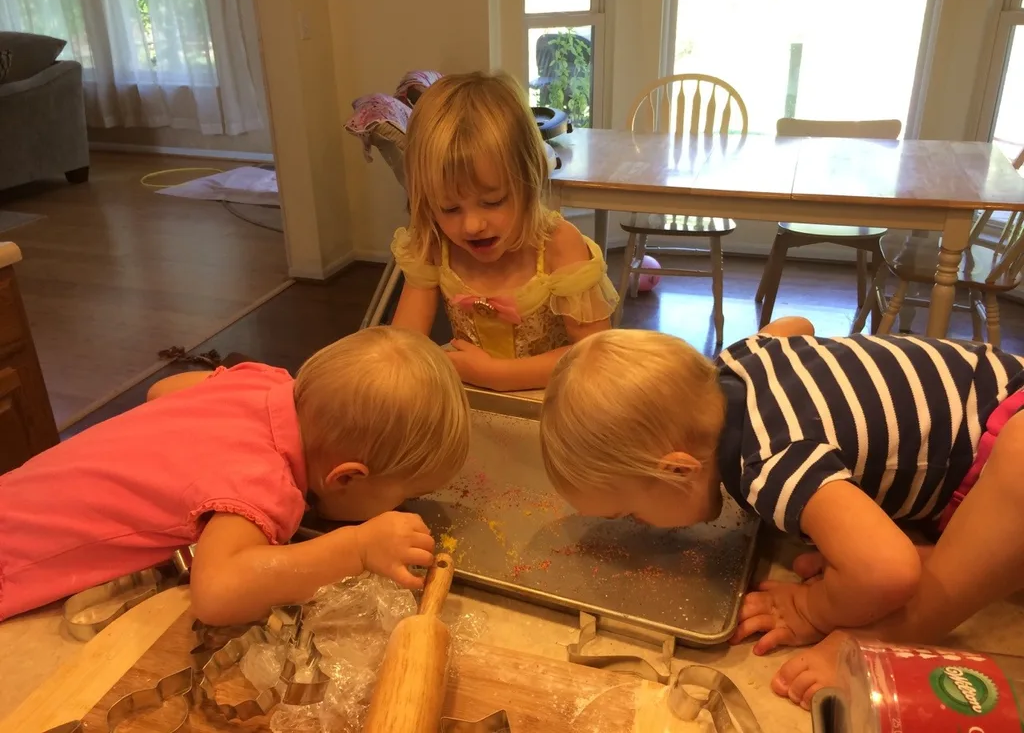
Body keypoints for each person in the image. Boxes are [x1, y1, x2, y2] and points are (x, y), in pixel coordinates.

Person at [539, 321, 1024, 709]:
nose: (635, 525)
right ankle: (936, 549)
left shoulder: (769, 462)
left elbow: (891, 572)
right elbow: (796, 326)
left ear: (677, 470)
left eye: (630, 511)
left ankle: (901, 626)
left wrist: (813, 610)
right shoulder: (738, 360)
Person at [1, 327, 470, 626]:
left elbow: (161, 390)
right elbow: (217, 593)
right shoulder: (264, 482)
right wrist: (357, 548)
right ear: (345, 478)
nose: (406, 504)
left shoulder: (263, 380)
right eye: (406, 493)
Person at [389, 71, 618, 391]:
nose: (472, 225)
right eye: (449, 208)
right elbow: (404, 345)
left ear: (530, 180)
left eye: (493, 201)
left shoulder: (558, 244)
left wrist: (494, 375)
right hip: (469, 397)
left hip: (555, 406)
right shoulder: (432, 243)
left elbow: (593, 354)